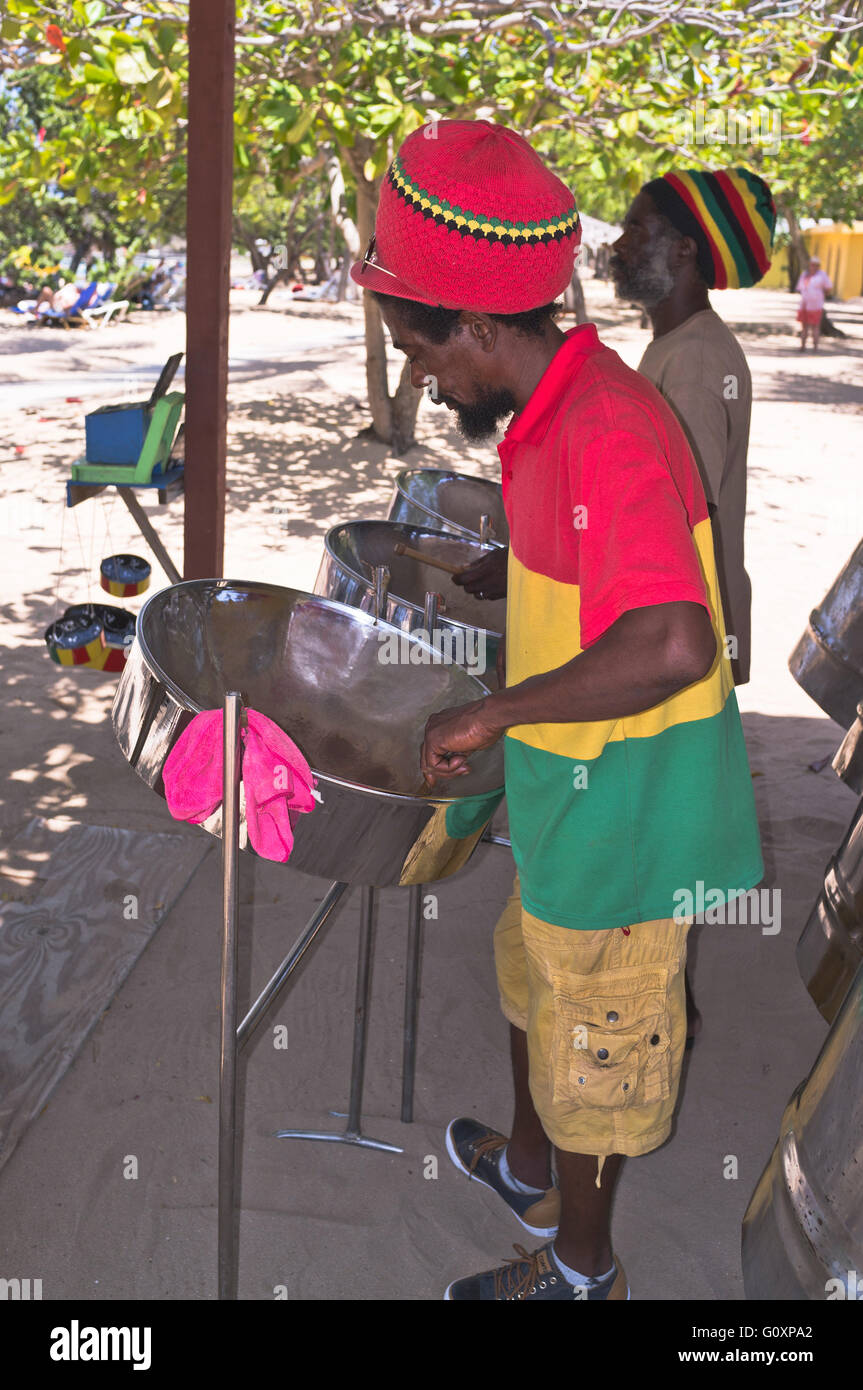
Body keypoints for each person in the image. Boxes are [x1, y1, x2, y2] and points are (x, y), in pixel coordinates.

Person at [351, 120, 764, 1302]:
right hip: (572, 787)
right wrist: (509, 575)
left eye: (422, 352)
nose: (423, 379)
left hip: (630, 816)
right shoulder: (551, 407)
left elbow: (674, 640)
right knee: (526, 973)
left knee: (596, 1041)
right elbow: (598, 571)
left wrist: (495, 713)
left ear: (477, 325)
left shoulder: (604, 425)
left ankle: (583, 1266)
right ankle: (530, 1162)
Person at [796, 255, 832, 351]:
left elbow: (828, 288)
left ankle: (815, 347)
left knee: (815, 326)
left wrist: (819, 296)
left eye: (816, 265)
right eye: (812, 265)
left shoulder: (822, 275)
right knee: (804, 327)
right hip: (804, 304)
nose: (813, 267)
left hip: (816, 305)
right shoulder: (804, 275)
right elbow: (800, 288)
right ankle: (802, 346)